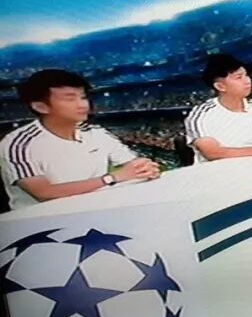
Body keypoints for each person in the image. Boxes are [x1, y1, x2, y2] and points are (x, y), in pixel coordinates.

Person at [0, 69, 160, 211]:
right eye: (70, 99)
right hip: (42, 223)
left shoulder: (95, 132)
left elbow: (133, 164)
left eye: (83, 97)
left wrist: (145, 167)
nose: (83, 105)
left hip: (98, 210)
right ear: (41, 107)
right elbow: (44, 193)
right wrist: (111, 178)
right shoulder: (19, 144)